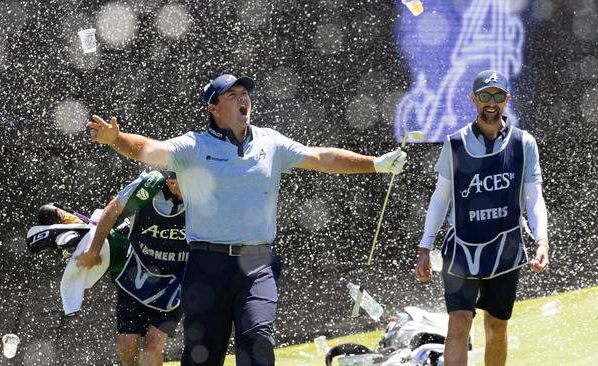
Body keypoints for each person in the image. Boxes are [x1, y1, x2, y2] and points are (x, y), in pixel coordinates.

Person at [87, 73, 408, 366]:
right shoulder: (194, 146)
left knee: (257, 345)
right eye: (233, 95)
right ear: (213, 108)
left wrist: (376, 164)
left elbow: (321, 157)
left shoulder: (271, 142)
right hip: (205, 267)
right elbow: (148, 149)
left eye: (245, 93)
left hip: (256, 266)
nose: (244, 99)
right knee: (202, 357)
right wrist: (115, 139)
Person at [412, 70, 549, 366]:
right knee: (458, 324)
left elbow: (533, 196)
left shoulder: (523, 143)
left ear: (506, 99)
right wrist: (425, 248)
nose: (491, 102)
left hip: (506, 248)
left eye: (498, 95)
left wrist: (542, 240)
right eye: (485, 96)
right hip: (461, 250)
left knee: (496, 327)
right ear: (473, 99)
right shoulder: (456, 143)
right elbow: (440, 197)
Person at [76, 170, 188, 366]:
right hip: (136, 273)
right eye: (170, 180)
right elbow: (112, 210)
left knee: (152, 346)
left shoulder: (206, 194)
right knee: (126, 347)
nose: (173, 184)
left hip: (176, 281)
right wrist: (94, 250)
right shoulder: (148, 186)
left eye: (178, 181)